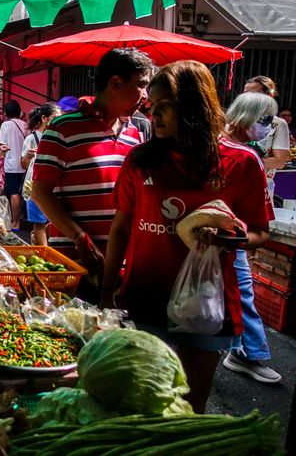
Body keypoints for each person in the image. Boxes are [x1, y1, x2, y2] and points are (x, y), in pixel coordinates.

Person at [101, 61, 273, 413]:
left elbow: (259, 231)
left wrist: (230, 236)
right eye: (152, 106)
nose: (154, 115)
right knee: (139, 403)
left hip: (206, 303)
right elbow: (120, 228)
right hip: (145, 296)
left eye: (164, 106)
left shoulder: (242, 162)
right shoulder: (140, 160)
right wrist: (107, 291)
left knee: (189, 408)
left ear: (194, 106)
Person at [32, 48, 154, 286]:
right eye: (141, 85)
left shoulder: (134, 133)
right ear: (115, 83)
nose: (145, 95)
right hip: (74, 263)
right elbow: (40, 192)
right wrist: (80, 238)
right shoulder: (62, 128)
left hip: (121, 264)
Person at [222, 92, 282, 384]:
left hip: (226, 238)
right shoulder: (243, 156)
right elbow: (261, 227)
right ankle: (246, 353)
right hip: (226, 240)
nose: (268, 127)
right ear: (246, 116)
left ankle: (245, 352)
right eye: (265, 119)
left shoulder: (233, 150)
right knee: (241, 294)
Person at [21, 102, 61, 245]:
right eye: (55, 117)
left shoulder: (58, 137)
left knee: (52, 221)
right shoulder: (31, 139)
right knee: (39, 222)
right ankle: (43, 251)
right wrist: (28, 157)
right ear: (44, 118)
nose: (58, 121)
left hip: (54, 185)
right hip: (34, 185)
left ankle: (36, 240)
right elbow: (24, 165)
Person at [244, 76, 289, 197]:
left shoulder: (278, 124)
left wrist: (244, 162)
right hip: (232, 183)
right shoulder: (234, 121)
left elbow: (279, 162)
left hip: (261, 187)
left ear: (269, 96)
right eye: (245, 94)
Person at [0, 100, 28, 231]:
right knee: (23, 193)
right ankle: (23, 219)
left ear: (6, 112)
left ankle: (15, 223)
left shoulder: (6, 125)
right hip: (25, 164)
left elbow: (2, 148)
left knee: (14, 194)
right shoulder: (26, 125)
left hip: (11, 165)